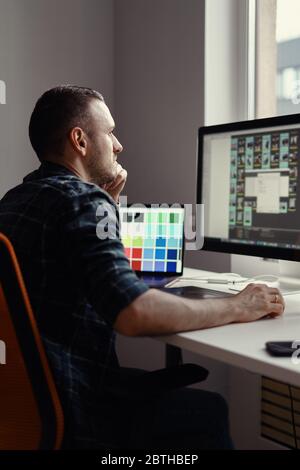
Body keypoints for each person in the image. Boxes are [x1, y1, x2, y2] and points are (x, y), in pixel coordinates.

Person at [0, 85, 285, 449]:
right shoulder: (81, 199)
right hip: (79, 410)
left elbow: (76, 269)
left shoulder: (14, 200)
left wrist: (108, 205)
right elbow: (133, 314)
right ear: (80, 140)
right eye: (110, 132)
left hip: (27, 409)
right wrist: (238, 305)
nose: (118, 145)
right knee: (206, 409)